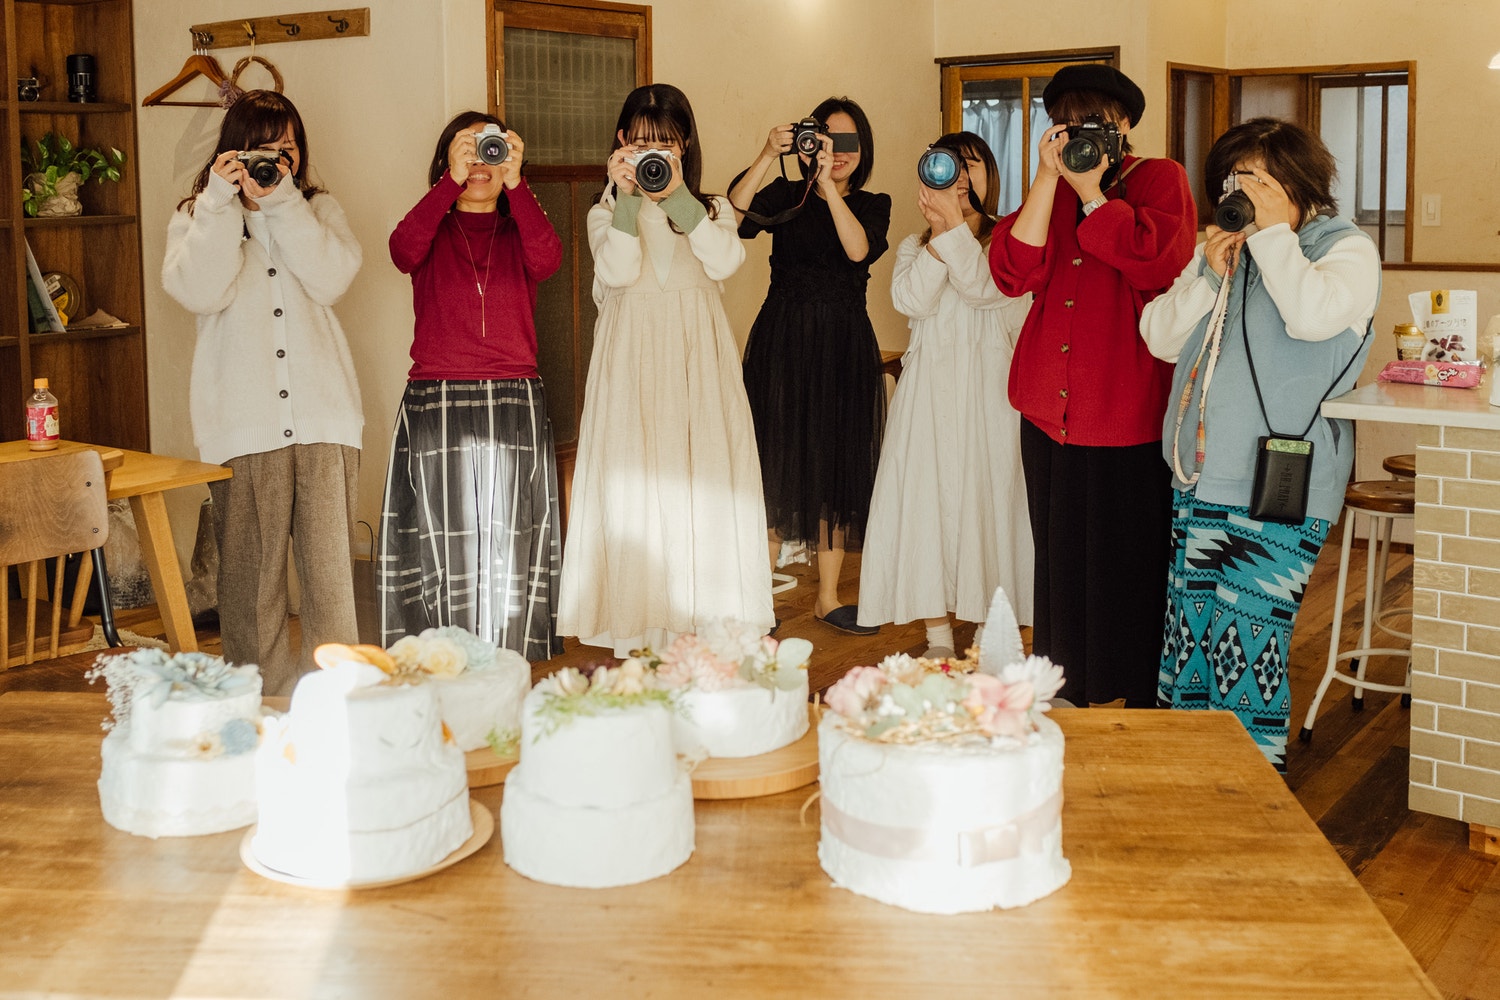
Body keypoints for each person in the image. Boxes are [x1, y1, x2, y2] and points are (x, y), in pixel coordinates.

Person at [1142, 117, 1379, 771]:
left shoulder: (1345, 249)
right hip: (1201, 474)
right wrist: (1209, 273)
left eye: (1261, 180)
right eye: (1234, 178)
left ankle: (1253, 793)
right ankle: (1194, 781)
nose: (1243, 192)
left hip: (1280, 484)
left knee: (1248, 644)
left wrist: (1274, 237)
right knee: (1192, 639)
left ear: (1302, 182)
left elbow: (1311, 316)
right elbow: (1159, 337)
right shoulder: (1225, 247)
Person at [988, 64, 1196, 707]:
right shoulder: (1050, 188)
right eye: (1067, 124)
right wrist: (1047, 180)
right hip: (1047, 407)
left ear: (1124, 125)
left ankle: (1132, 692)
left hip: (1125, 405)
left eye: (1095, 123)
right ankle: (1066, 686)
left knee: (1125, 558)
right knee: (1058, 557)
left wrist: (1094, 194)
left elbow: (1157, 262)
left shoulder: (1159, 177)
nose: (1081, 134)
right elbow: (1013, 272)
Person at [557, 84, 773, 656]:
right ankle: (642, 627)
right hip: (630, 358)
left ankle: (702, 624)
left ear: (685, 146)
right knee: (639, 481)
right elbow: (618, 270)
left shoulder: (712, 209)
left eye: (666, 143)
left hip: (695, 359)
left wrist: (677, 196)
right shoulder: (605, 212)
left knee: (701, 479)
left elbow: (725, 259)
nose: (653, 153)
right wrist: (629, 196)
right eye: (641, 142)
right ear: (621, 143)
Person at [162, 90, 363, 695]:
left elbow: (331, 280)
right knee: (251, 590)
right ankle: (258, 708)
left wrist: (282, 204)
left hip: (325, 420)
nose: (275, 160)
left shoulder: (318, 209)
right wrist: (220, 204)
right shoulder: (198, 214)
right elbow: (199, 291)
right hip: (241, 425)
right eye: (262, 149)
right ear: (233, 152)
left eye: (287, 149)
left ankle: (334, 705)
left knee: (330, 587)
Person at [380, 111, 564, 661]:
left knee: (512, 541)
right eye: (468, 149)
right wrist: (449, 184)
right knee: (440, 544)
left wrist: (518, 183)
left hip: (513, 397)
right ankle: (440, 660)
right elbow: (401, 251)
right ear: (446, 161)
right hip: (437, 397)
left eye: (492, 149)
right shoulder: (430, 228)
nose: (481, 161)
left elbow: (548, 260)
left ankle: (507, 661)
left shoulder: (520, 228)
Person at [857, 132, 1033, 654]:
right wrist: (941, 230)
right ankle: (936, 633)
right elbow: (911, 301)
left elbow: (986, 292)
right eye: (947, 165)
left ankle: (989, 629)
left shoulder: (1010, 240)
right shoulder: (916, 245)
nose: (958, 176)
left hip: (990, 390)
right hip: (928, 393)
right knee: (924, 506)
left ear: (988, 176)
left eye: (969, 165)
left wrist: (954, 227)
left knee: (990, 504)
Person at [730, 97, 890, 635]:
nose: (837, 152)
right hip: (783, 341)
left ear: (863, 149)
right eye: (827, 140)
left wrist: (827, 187)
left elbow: (858, 250)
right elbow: (733, 219)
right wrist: (764, 154)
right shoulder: (783, 195)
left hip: (844, 345)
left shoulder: (873, 203)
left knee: (836, 464)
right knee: (774, 462)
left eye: (848, 142)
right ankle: (755, 600)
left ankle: (827, 597)